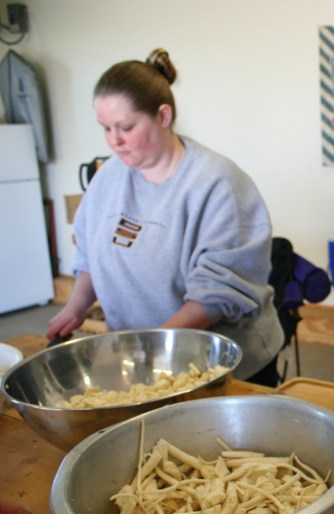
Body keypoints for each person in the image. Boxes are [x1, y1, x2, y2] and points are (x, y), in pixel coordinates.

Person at [48, 49, 284, 385]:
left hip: (222, 365)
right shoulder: (108, 178)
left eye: (126, 127)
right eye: (105, 128)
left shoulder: (218, 184)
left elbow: (217, 294)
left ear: (162, 115)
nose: (114, 141)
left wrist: (146, 346)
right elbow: (89, 252)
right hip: (140, 361)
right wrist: (75, 306)